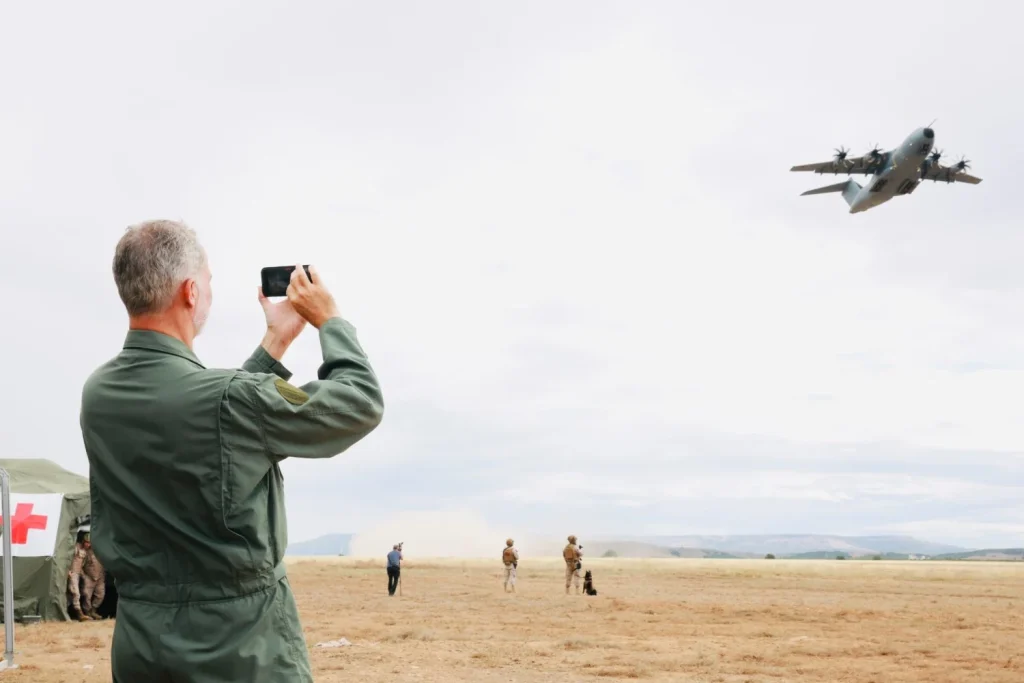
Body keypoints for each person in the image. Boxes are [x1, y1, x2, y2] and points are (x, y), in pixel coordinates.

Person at [79, 220, 384, 682]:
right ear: (190, 293)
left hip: (143, 648)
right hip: (242, 652)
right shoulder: (230, 401)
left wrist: (276, 341)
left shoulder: (98, 394)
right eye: (208, 281)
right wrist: (331, 320)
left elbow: (210, 421)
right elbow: (359, 403)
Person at [81, 533, 106, 620]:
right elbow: (80, 565)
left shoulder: (100, 552)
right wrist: (84, 576)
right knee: (87, 595)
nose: (88, 544)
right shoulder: (85, 552)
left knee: (100, 595)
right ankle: (87, 613)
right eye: (86, 542)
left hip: (100, 577)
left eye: (90, 542)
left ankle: (93, 611)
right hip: (89, 577)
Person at [67, 531, 89, 622]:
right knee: (76, 593)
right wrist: (68, 571)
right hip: (72, 573)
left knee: (77, 593)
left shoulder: (85, 551)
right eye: (87, 542)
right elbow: (68, 559)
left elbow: (82, 564)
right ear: (83, 541)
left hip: (79, 573)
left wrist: (84, 576)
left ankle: (68, 610)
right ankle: (79, 613)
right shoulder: (76, 547)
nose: (88, 545)